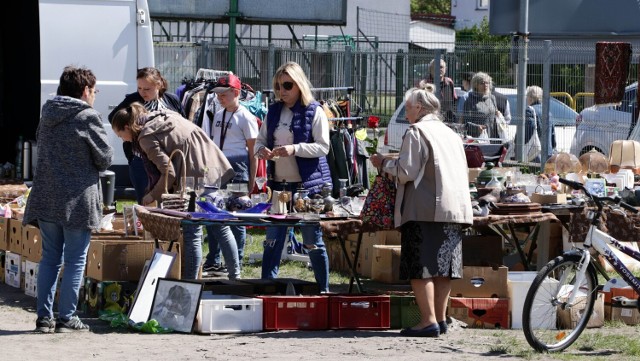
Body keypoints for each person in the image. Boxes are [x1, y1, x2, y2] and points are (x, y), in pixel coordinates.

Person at [370, 84, 473, 338]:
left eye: (408, 107)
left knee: (421, 266)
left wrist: (384, 163)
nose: (406, 112)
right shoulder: (451, 134)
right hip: (455, 209)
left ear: (419, 108)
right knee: (443, 268)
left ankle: (427, 321)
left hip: (424, 208)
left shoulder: (416, 131)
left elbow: (407, 171)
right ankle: (440, 319)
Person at [24, 65, 113, 333]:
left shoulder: (47, 112)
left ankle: (43, 318)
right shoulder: (87, 116)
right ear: (85, 91)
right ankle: (67, 318)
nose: (95, 95)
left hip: (47, 196)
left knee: (50, 257)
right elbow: (105, 158)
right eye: (94, 91)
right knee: (75, 260)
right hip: (77, 200)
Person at [110, 102, 238, 280]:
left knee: (193, 232)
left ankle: (189, 283)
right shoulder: (161, 116)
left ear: (127, 127)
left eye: (120, 135)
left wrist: (151, 194)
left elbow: (169, 172)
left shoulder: (145, 137)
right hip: (211, 166)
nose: (123, 140)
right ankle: (236, 276)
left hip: (194, 177)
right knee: (220, 227)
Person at [254, 61, 331, 293]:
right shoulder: (274, 111)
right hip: (278, 186)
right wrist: (262, 151)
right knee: (273, 242)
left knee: (312, 242)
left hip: (306, 188)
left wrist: (294, 148)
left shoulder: (314, 110)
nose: (282, 91)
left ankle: (324, 290)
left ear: (299, 85)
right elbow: (259, 141)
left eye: (287, 85)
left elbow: (323, 147)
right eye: (277, 86)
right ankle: (267, 291)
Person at [201, 74, 259, 276]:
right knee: (215, 213)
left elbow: (253, 153)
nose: (219, 98)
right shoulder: (218, 115)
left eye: (223, 94)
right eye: (217, 94)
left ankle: (236, 260)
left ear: (236, 93)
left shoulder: (246, 117)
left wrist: (251, 180)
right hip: (219, 170)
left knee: (236, 216)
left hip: (239, 169)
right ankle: (214, 259)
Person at [108, 67, 185, 205]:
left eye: (147, 89)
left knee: (171, 203)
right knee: (146, 203)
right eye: (139, 88)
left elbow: (183, 124)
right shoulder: (133, 100)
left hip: (169, 158)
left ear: (159, 85)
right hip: (141, 161)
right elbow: (114, 118)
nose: (142, 92)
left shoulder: (172, 99)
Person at [462, 72, 497, 138]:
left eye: (487, 83)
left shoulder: (492, 98)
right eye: (482, 83)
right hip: (478, 138)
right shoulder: (470, 100)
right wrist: (477, 128)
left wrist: (498, 114)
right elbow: (466, 122)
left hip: (493, 137)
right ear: (476, 85)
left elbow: (495, 116)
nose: (485, 85)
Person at [422, 58, 457, 123]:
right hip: (430, 121)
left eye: (441, 67)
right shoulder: (424, 84)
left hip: (447, 121)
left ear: (445, 69)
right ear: (430, 69)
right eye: (436, 67)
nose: (439, 69)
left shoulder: (449, 82)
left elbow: (454, 101)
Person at [527, 85, 556, 159]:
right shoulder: (548, 112)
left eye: (527, 96)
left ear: (530, 98)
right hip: (548, 153)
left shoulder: (530, 110)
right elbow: (553, 137)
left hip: (535, 153)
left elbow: (528, 133)